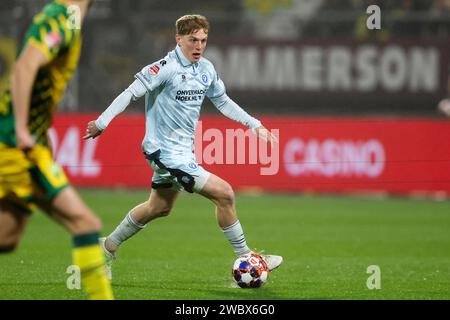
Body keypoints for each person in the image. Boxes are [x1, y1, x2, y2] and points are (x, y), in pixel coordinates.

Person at [83, 14, 283, 280]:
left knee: (158, 208)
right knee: (224, 194)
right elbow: (130, 93)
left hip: (182, 153)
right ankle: (247, 256)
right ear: (179, 39)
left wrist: (254, 124)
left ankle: (105, 247)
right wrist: (102, 122)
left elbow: (222, 101)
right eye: (193, 40)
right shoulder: (163, 68)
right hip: (163, 152)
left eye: (203, 40)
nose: (198, 46)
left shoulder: (206, 70)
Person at [0, 0, 113, 300]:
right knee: (85, 223)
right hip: (13, 145)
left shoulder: (72, 21)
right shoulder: (61, 16)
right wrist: (23, 130)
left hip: (27, 145)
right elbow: (25, 66)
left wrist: (38, 136)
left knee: (7, 239)